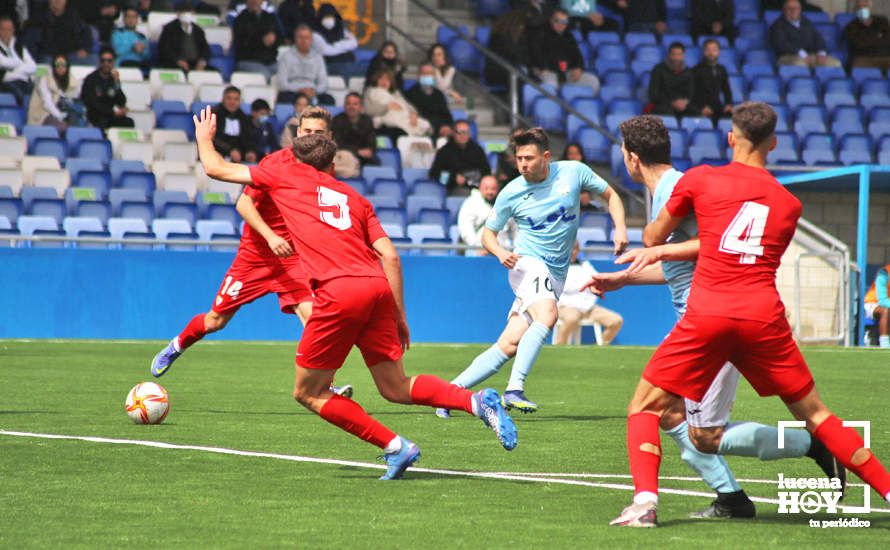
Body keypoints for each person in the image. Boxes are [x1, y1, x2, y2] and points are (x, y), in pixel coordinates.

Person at [192, 108, 519, 479]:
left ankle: (396, 446)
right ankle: (476, 402)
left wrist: (205, 136)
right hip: (377, 287)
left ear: (299, 153)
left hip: (338, 291)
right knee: (395, 385)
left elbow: (216, 168)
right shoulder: (354, 198)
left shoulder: (285, 173)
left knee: (309, 392)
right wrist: (399, 316)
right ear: (332, 161)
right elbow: (391, 257)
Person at [606, 102, 890, 527]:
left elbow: (651, 236)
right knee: (817, 414)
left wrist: (659, 243)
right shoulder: (789, 204)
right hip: (762, 314)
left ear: (730, 138)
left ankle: (645, 503)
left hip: (709, 313)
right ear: (773, 143)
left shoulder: (701, 178)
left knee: (646, 408)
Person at [151, 106, 354, 396]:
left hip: (292, 259)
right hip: (256, 256)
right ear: (298, 133)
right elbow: (244, 204)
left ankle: (325, 384)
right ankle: (177, 345)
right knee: (215, 321)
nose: (312, 137)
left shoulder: (326, 166)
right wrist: (271, 237)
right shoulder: (276, 163)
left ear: (329, 136)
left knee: (314, 318)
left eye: (318, 133)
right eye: (307, 132)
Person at [436, 127, 627, 417]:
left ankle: (448, 395)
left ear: (546, 157)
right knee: (549, 316)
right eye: (519, 158)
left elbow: (611, 195)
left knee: (509, 343)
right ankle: (514, 388)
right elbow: (488, 234)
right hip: (527, 263)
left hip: (556, 272)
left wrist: (620, 229)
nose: (523, 164)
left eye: (529, 157)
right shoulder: (511, 192)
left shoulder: (574, 172)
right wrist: (500, 251)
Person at [556, 241, 623, 345]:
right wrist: (586, 284)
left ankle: (598, 348)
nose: (572, 252)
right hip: (566, 307)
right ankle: (559, 347)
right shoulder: (557, 267)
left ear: (578, 250)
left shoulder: (586, 266)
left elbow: (597, 279)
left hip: (590, 308)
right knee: (572, 318)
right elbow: (565, 287)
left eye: (574, 249)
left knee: (616, 320)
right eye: (569, 249)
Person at [528, 9, 600, 95]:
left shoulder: (569, 36)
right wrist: (543, 68)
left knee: (593, 81)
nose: (560, 24)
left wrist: (578, 68)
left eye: (564, 21)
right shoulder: (540, 33)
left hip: (567, 74)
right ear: (551, 20)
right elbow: (535, 53)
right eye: (557, 20)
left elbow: (577, 56)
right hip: (547, 71)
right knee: (550, 86)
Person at [362, 68, 431, 141]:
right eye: (381, 79)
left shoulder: (396, 93)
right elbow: (368, 110)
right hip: (385, 124)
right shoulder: (370, 91)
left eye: (387, 79)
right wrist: (387, 107)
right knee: (400, 132)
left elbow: (409, 106)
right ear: (376, 80)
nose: (384, 82)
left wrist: (413, 113)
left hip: (404, 117)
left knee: (424, 125)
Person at [768, 0, 842, 68]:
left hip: (810, 55)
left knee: (835, 63)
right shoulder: (777, 26)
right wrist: (801, 53)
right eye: (789, 8)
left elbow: (818, 39)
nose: (793, 11)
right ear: (784, 10)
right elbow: (781, 45)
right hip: (788, 57)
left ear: (800, 10)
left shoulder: (806, 23)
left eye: (796, 8)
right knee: (800, 64)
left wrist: (821, 53)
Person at [428, 120, 490, 197]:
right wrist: (453, 178)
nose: (463, 135)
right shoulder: (444, 151)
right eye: (460, 132)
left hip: (478, 187)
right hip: (456, 188)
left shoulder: (477, 150)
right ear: (453, 133)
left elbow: (486, 171)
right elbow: (434, 174)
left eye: (466, 132)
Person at [457, 175, 516, 255]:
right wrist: (476, 247)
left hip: (503, 252)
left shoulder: (506, 204)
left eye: (493, 189)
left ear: (498, 189)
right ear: (480, 188)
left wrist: (517, 248)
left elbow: (515, 229)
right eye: (486, 188)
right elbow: (466, 229)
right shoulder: (470, 203)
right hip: (480, 252)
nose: (490, 192)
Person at [80, 48, 134, 131]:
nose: (106, 64)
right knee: (102, 123)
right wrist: (113, 113)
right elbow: (92, 103)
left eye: (109, 61)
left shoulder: (113, 79)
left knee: (128, 122)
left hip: (111, 116)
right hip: (95, 116)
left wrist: (117, 83)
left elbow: (121, 102)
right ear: (99, 62)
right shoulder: (91, 79)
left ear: (114, 62)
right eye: (103, 61)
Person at [277, 24, 332, 105]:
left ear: (311, 40)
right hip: (293, 92)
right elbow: (282, 84)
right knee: (284, 98)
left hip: (312, 92)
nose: (303, 41)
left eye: (306, 37)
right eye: (300, 37)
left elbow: (324, 83)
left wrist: (314, 90)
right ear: (295, 39)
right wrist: (300, 90)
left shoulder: (318, 57)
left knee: (329, 100)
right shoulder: (286, 56)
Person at [27, 54, 82, 130]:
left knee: (77, 125)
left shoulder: (72, 80)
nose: (60, 67)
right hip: (44, 114)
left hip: (64, 112)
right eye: (57, 65)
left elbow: (76, 95)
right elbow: (47, 104)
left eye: (63, 65)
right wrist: (60, 116)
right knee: (62, 127)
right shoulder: (45, 78)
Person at [158, 1, 213, 72]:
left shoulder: (198, 30)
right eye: (183, 12)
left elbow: (206, 50)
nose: (186, 15)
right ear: (178, 14)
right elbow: (164, 49)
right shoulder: (169, 29)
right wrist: (178, 61)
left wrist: (202, 62)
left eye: (189, 12)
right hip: (175, 63)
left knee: (213, 71)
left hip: (195, 63)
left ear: (193, 13)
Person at [232, 0, 281, 82]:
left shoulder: (270, 17)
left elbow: (280, 37)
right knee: (265, 76)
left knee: (284, 75)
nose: (255, 1)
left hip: (270, 61)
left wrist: (273, 40)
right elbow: (242, 43)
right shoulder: (240, 19)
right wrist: (262, 40)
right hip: (248, 60)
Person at [405, 62, 454, 139]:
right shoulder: (410, 93)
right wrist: (438, 127)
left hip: (441, 130)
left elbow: (446, 115)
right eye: (424, 73)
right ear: (418, 76)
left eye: (429, 73)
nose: (427, 76)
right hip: (422, 130)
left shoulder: (439, 94)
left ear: (433, 76)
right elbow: (417, 115)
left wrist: (447, 126)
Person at [37, 0, 94, 65]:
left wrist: (85, 49)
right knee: (41, 72)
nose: (57, 1)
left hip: (71, 53)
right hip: (49, 54)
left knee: (91, 61)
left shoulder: (73, 14)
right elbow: (38, 41)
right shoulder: (41, 15)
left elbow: (86, 32)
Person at [648, 42, 696, 118]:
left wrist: (684, 102)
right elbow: (654, 94)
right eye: (674, 54)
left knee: (696, 113)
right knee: (666, 112)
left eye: (679, 55)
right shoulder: (658, 69)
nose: (676, 58)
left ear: (683, 56)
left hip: (682, 105)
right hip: (663, 104)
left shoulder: (688, 72)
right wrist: (672, 103)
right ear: (669, 55)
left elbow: (690, 93)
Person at [331, 91, 378, 168]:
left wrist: (369, 150)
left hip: (364, 158)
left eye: (355, 104)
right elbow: (337, 143)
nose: (351, 107)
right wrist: (357, 151)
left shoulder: (367, 121)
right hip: (343, 155)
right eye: (348, 104)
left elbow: (372, 143)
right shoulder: (337, 120)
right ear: (344, 106)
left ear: (361, 107)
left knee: (375, 164)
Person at [692, 39, 733, 122]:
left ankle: (730, 136)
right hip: (701, 108)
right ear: (704, 52)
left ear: (718, 52)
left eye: (714, 50)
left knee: (731, 122)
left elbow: (727, 90)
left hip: (718, 107)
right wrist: (701, 107)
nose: (711, 53)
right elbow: (692, 93)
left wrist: (728, 104)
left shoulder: (722, 69)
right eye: (708, 50)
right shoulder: (695, 70)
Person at [312, 3, 358, 77]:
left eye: (331, 16)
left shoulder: (341, 30)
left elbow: (354, 43)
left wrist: (336, 45)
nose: (329, 20)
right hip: (326, 64)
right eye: (326, 17)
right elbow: (326, 50)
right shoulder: (315, 33)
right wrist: (345, 48)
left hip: (345, 63)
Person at [212, 86, 255, 163]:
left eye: (236, 99)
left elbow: (247, 138)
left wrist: (249, 151)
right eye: (229, 98)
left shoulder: (243, 118)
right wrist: (230, 150)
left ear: (239, 101)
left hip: (239, 155)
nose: (232, 102)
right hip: (217, 153)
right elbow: (212, 137)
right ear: (223, 100)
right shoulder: (213, 115)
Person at [844, 0, 890, 71]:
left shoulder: (882, 21)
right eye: (859, 7)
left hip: (884, 56)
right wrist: (877, 37)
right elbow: (858, 45)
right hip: (864, 57)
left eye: (865, 6)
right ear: (856, 10)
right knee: (858, 66)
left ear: (870, 8)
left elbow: (887, 40)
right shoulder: (851, 26)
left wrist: (867, 39)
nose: (862, 9)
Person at [0, 15, 35, 105]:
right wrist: (22, 64)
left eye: (9, 29)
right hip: (5, 83)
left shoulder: (19, 47)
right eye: (3, 29)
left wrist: (16, 69)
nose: (6, 32)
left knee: (44, 73)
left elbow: (34, 67)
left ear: (13, 30)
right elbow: (3, 62)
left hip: (23, 82)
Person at [111, 7, 151, 72]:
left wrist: (142, 51)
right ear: (124, 19)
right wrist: (132, 47)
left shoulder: (142, 36)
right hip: (124, 62)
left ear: (137, 19)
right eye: (128, 17)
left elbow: (147, 55)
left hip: (140, 63)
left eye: (134, 17)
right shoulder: (117, 33)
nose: (131, 20)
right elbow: (117, 51)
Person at [865, 265, 890, 348]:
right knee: (885, 311)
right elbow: (882, 301)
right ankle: (885, 345)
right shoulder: (884, 273)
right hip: (873, 303)